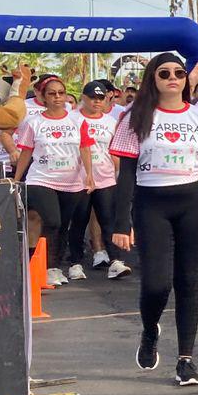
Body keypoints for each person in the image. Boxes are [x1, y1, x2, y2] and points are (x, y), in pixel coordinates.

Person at [109, 53, 198, 387]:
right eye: (164, 72)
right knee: (156, 283)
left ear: (186, 79)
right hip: (150, 204)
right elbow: (125, 174)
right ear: (152, 79)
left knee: (187, 283)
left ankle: (186, 360)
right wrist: (120, 222)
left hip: (193, 203)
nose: (172, 77)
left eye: (179, 73)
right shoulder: (134, 116)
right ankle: (150, 330)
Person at [13, 75, 94, 286]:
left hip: (72, 181)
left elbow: (85, 148)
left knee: (63, 225)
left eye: (61, 93)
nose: (58, 97)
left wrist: (90, 176)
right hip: (41, 179)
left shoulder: (77, 119)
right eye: (52, 93)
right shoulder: (33, 122)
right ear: (42, 97)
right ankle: (44, 267)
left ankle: (55, 267)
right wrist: (17, 178)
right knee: (52, 221)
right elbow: (26, 151)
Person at [69, 80, 130, 279]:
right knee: (79, 221)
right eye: (92, 98)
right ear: (83, 98)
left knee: (108, 220)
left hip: (105, 178)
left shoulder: (110, 122)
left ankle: (115, 261)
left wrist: (119, 175)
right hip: (78, 179)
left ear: (107, 99)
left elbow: (115, 152)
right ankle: (75, 263)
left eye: (100, 98)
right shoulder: (72, 119)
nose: (96, 102)